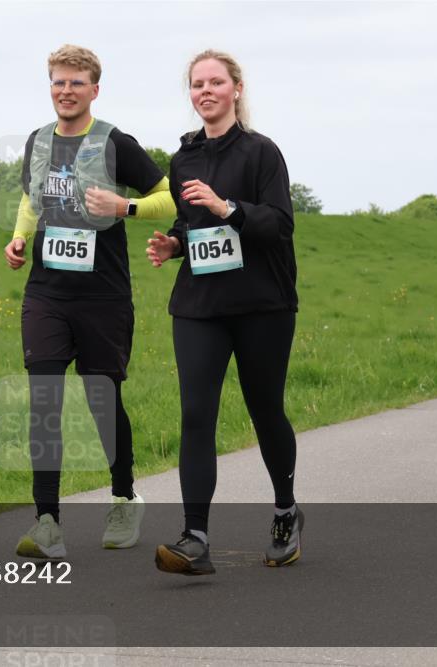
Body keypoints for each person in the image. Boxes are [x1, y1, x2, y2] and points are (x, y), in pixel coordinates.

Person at [4, 45, 176, 559]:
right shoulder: (37, 141)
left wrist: (125, 206)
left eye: (76, 83)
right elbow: (32, 199)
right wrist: (18, 239)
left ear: (94, 90)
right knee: (44, 400)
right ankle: (47, 521)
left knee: (102, 399)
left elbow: (168, 197)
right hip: (47, 293)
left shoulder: (115, 142)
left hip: (103, 294)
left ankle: (124, 496)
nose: (66, 91)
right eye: (58, 82)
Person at [146, 50, 301, 575]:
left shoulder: (262, 153)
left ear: (236, 88)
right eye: (196, 84)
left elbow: (279, 225)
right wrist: (174, 245)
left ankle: (285, 512)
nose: (205, 91)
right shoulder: (183, 158)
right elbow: (195, 230)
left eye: (215, 82)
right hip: (200, 305)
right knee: (195, 416)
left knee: (265, 410)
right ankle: (195, 538)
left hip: (262, 304)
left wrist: (226, 207)